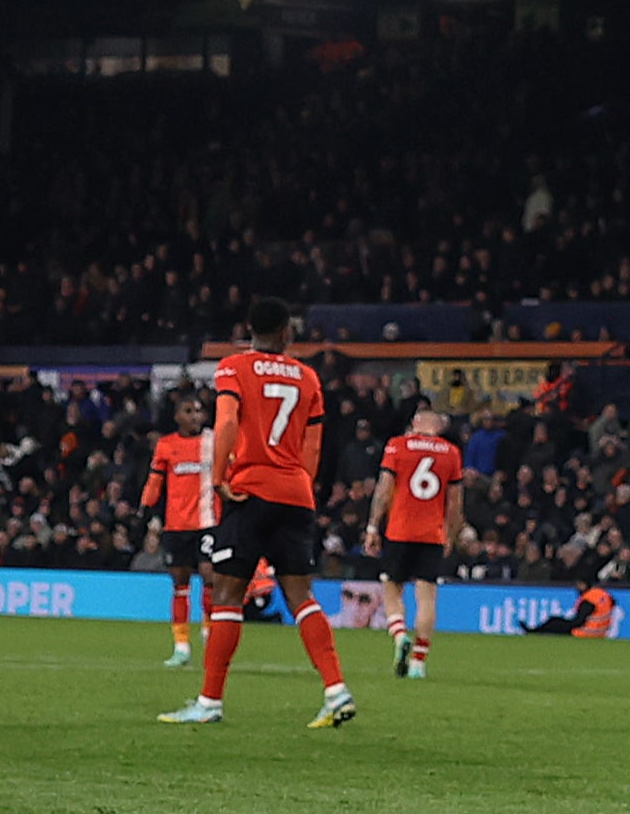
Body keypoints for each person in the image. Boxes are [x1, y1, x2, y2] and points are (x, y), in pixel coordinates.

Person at [161, 297, 354, 730]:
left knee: (228, 595)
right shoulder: (308, 378)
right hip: (295, 492)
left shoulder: (233, 368)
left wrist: (217, 477)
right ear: (287, 332)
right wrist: (298, 484)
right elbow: (313, 446)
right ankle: (336, 689)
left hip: (249, 492)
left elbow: (227, 422)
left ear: (249, 329)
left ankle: (209, 702)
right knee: (301, 596)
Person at [369, 407, 466, 679]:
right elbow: (456, 501)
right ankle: (418, 663)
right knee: (426, 598)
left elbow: (384, 489)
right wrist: (451, 533)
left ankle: (400, 636)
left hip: (399, 531)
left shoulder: (397, 446)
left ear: (415, 423)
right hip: (431, 534)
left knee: (392, 591)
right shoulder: (451, 453)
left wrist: (373, 526)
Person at [139, 394, 212, 669]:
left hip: (208, 522)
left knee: (210, 576)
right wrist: (146, 509)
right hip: (176, 524)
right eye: (188, 410)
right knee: (180, 584)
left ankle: (209, 635)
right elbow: (155, 481)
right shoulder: (166, 445)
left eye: (198, 410)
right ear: (177, 416)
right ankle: (181, 646)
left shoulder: (213, 442)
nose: (195, 415)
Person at [522, 582, 618, 637]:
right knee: (555, 621)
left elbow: (578, 621)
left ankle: (534, 632)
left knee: (554, 622)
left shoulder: (588, 599)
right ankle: (535, 631)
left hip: (586, 632)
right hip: (601, 632)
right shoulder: (602, 594)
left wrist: (566, 624)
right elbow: (613, 604)